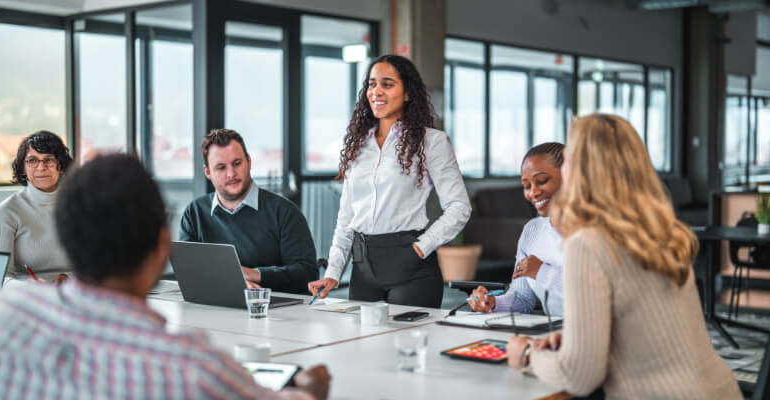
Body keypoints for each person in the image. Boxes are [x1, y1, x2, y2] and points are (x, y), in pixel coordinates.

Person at [0, 154, 331, 399]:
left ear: (65, 236)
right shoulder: (193, 371)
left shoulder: (2, 315)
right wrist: (308, 386)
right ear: (162, 245)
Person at [505, 114, 741, 399]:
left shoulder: (588, 243)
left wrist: (527, 354)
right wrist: (575, 338)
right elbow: (646, 324)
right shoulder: (658, 230)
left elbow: (578, 377)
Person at [308, 55, 471, 308]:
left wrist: (420, 248)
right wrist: (332, 272)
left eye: (387, 84)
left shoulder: (432, 142)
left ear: (407, 93)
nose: (377, 92)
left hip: (411, 268)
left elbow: (459, 207)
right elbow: (347, 218)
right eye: (372, 84)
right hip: (363, 270)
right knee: (361, 346)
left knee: (407, 346)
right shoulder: (357, 145)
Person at [180, 129, 318, 294]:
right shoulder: (194, 213)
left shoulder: (284, 212)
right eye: (221, 167)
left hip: (274, 312)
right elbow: (188, 272)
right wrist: (236, 281)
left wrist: (255, 274)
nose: (231, 174)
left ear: (249, 162)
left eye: (237, 163)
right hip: (212, 309)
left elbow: (307, 274)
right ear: (207, 172)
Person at [469, 142, 565, 316]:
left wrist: (541, 271)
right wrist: (492, 303)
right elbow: (522, 298)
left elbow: (595, 292)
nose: (533, 193)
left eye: (542, 181)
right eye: (527, 186)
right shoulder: (532, 231)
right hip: (555, 334)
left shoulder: (593, 229)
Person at [0, 130, 73, 283]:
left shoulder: (81, 206)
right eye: (32, 160)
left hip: (76, 294)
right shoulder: (6, 212)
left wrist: (69, 278)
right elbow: (0, 278)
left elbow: (98, 267)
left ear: (61, 165)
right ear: (23, 169)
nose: (41, 167)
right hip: (27, 298)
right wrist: (28, 286)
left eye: (49, 160)